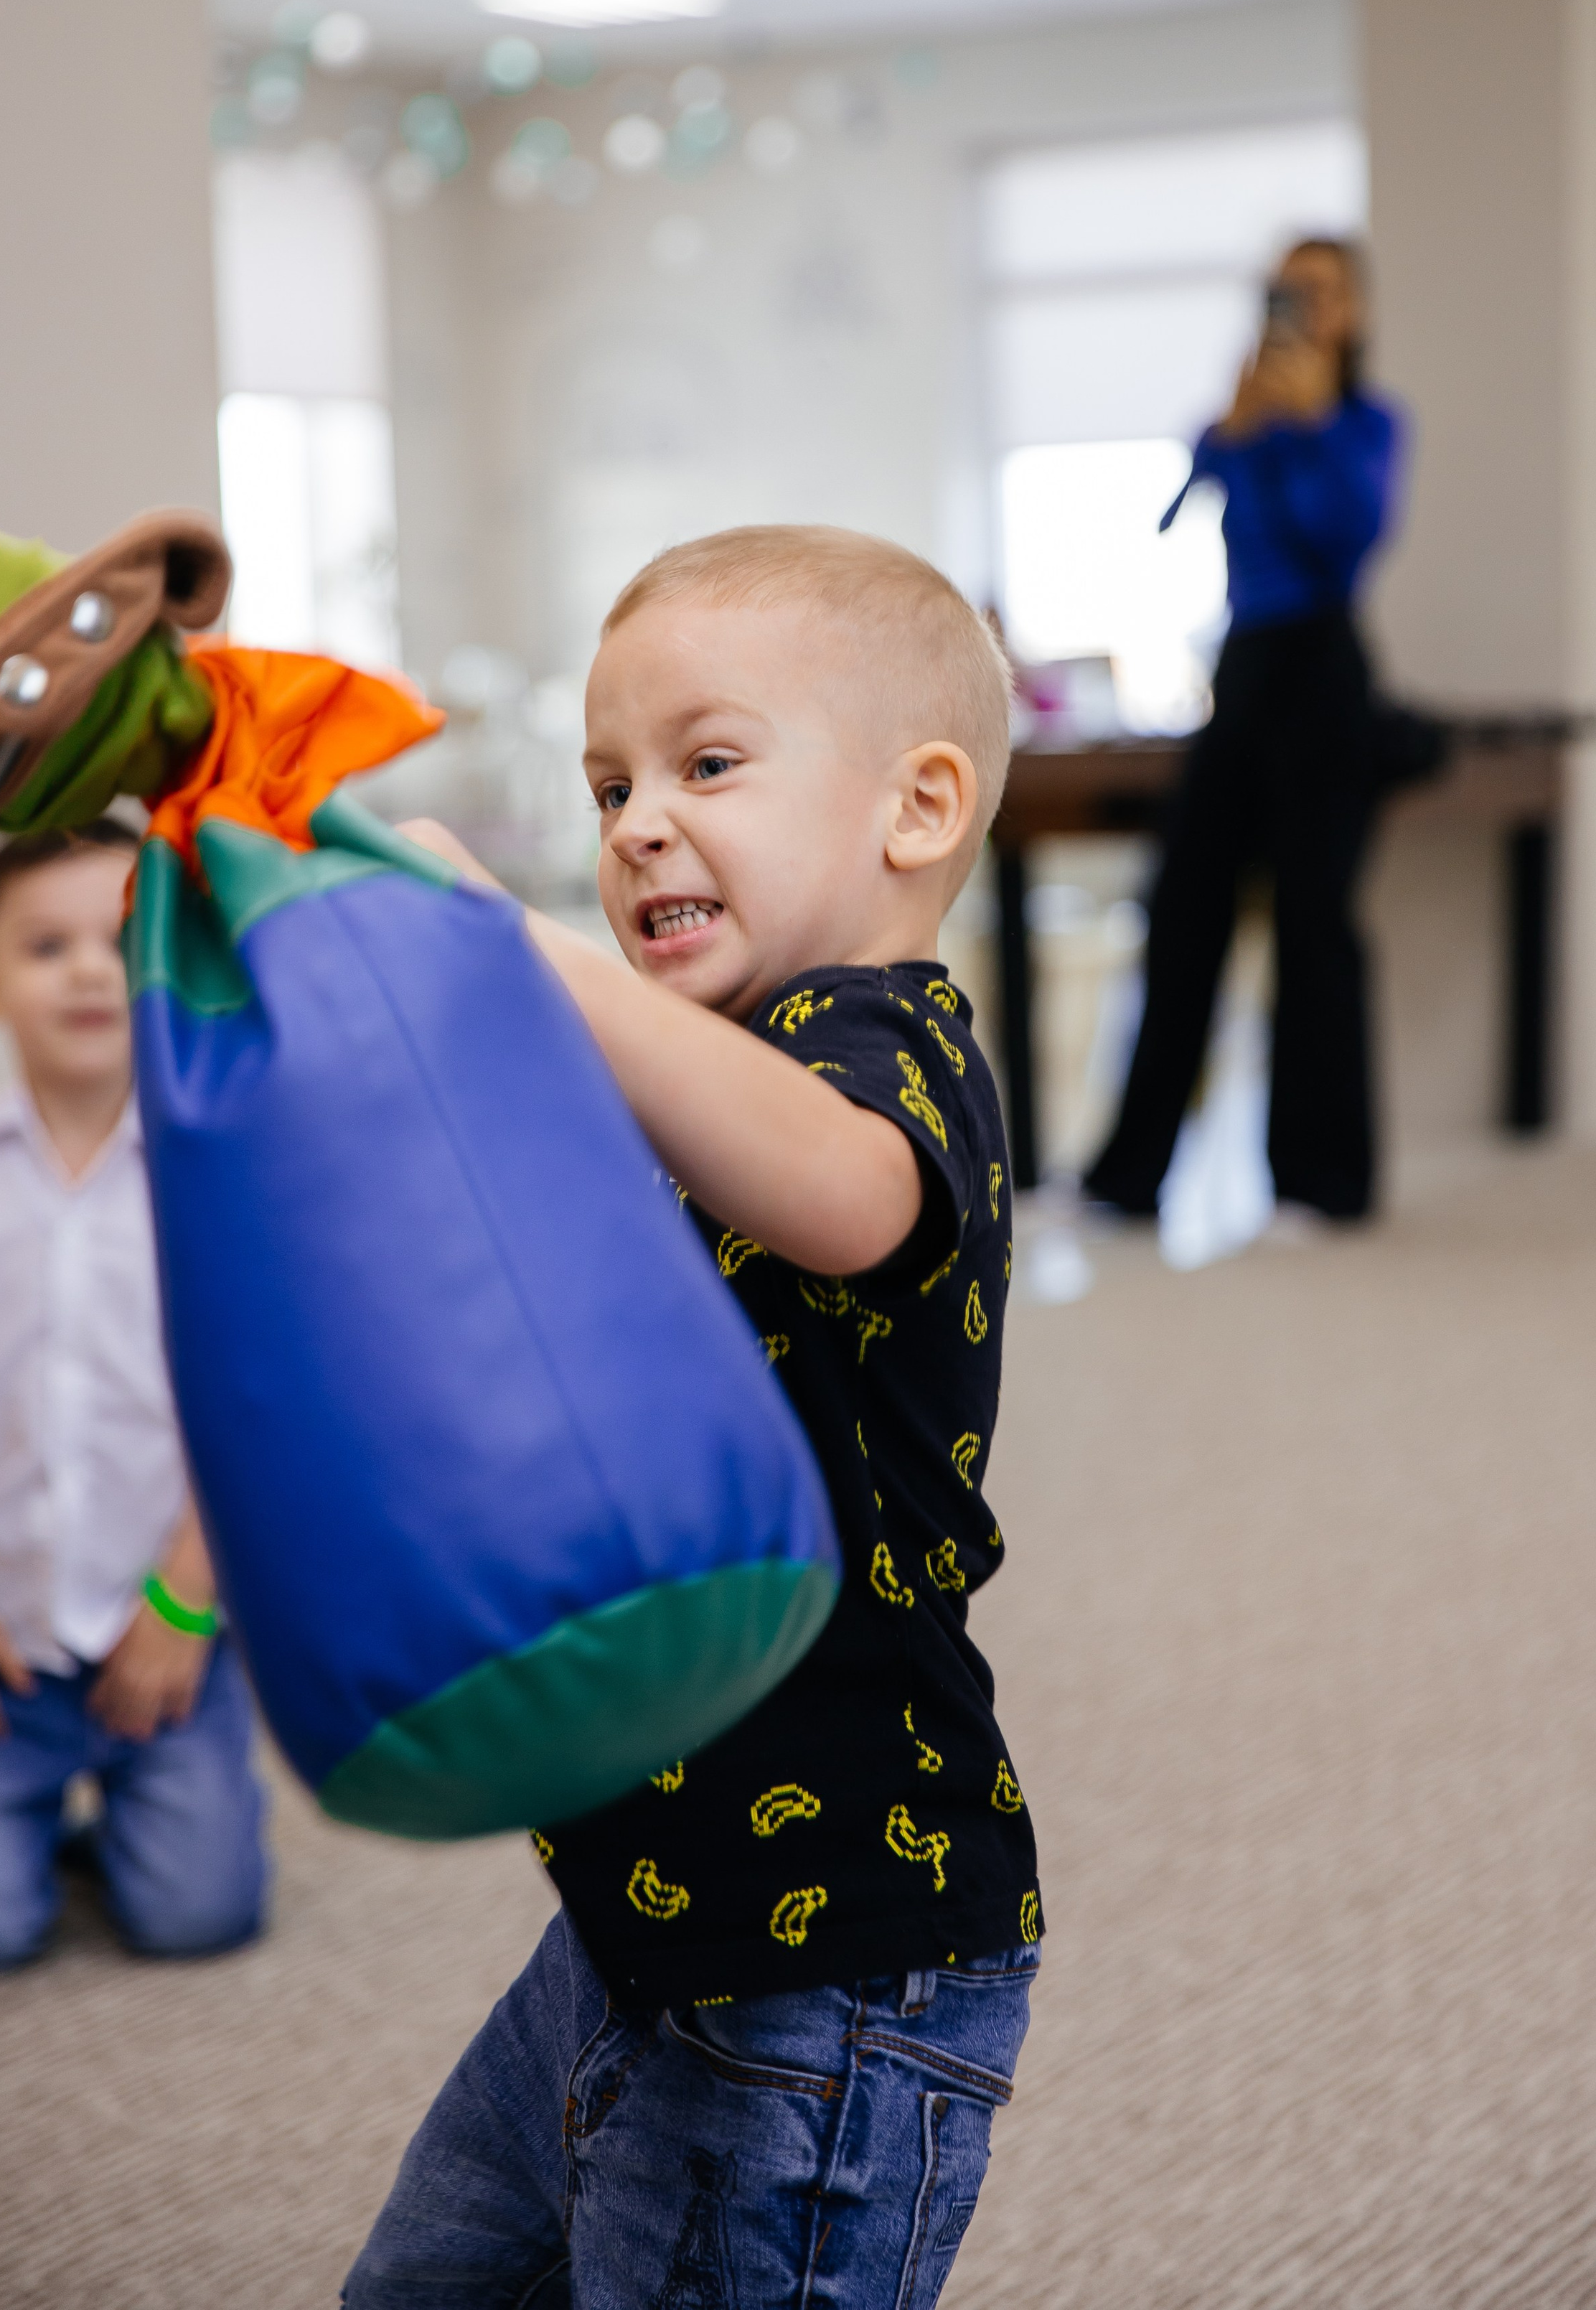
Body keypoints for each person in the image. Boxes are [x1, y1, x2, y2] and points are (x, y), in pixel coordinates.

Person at [346, 528, 1041, 2310]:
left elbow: (839, 1196)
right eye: (606, 786)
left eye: (706, 764)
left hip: (832, 1970)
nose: (636, 821)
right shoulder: (711, 1068)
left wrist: (529, 959)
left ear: (915, 809)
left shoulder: (886, 1050)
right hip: (635, 1921)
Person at [0, 822, 268, 1970]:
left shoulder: (217, 1187)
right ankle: (33, 1814)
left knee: (200, 1918)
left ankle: (136, 1806)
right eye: (46, 946)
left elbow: (251, 1411)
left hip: (165, 1634)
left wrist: (182, 1607)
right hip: (1, 1643)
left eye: (116, 942)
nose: (86, 969)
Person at [1085, 236, 1407, 1225]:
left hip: (1325, 669)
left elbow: (1350, 540)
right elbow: (1176, 512)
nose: (1298, 307)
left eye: (1318, 292)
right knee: (1183, 918)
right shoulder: (1248, 421)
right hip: (1245, 669)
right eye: (1285, 290)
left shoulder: (1365, 424)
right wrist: (1231, 425)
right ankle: (1127, 1179)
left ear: (1351, 310)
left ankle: (1322, 1184)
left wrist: (1306, 427)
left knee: (1316, 930)